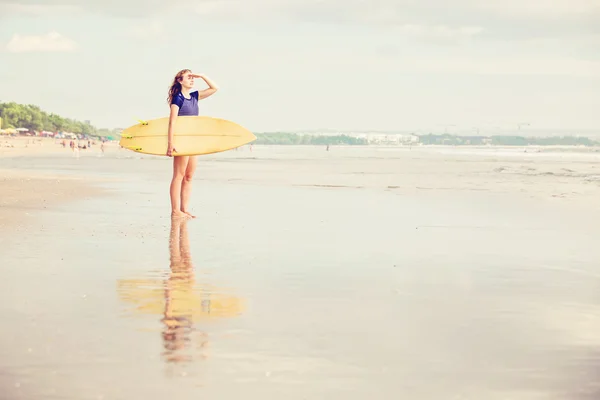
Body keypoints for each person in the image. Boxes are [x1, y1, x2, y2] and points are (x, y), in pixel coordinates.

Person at [166, 69, 219, 218]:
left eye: (192, 77)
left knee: (188, 176)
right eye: (188, 78)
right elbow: (172, 122)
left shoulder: (195, 96)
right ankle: (175, 210)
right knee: (179, 175)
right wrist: (171, 144)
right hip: (181, 140)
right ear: (180, 81)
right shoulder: (178, 98)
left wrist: (202, 75)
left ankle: (184, 209)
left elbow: (215, 88)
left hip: (193, 141)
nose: (191, 80)